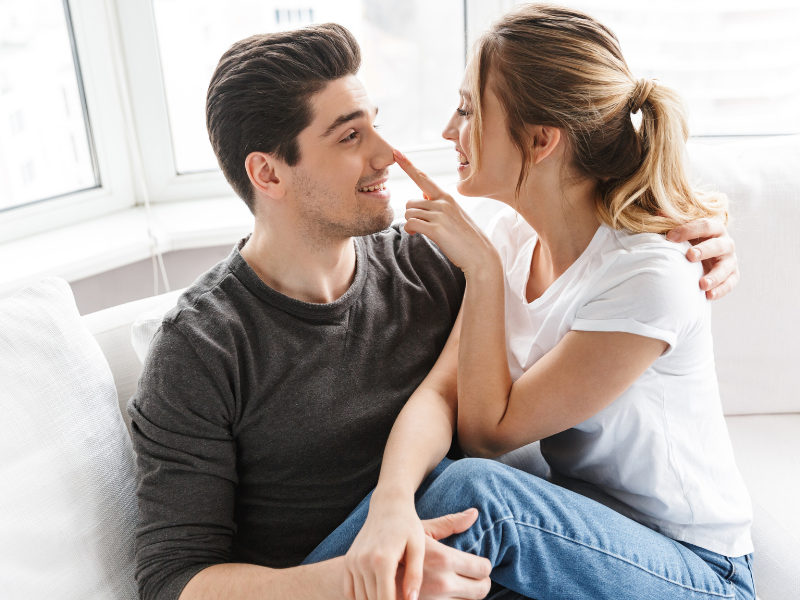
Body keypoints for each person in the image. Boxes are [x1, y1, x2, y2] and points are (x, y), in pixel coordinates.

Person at [128, 19, 741, 600]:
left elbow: (486, 436)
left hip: (630, 561)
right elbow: (173, 582)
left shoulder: (435, 267)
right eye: (350, 135)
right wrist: (351, 577)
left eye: (376, 124)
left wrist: (698, 238)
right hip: (427, 576)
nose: (388, 154)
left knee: (475, 493)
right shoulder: (202, 349)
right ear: (267, 172)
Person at [310, 5, 755, 600]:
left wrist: (485, 275)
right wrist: (391, 500)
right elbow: (443, 395)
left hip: (694, 569)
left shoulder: (646, 276)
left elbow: (488, 434)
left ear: (542, 140)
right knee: (429, 497)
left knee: (478, 499)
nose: (448, 129)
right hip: (581, 533)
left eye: (468, 110)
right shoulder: (513, 237)